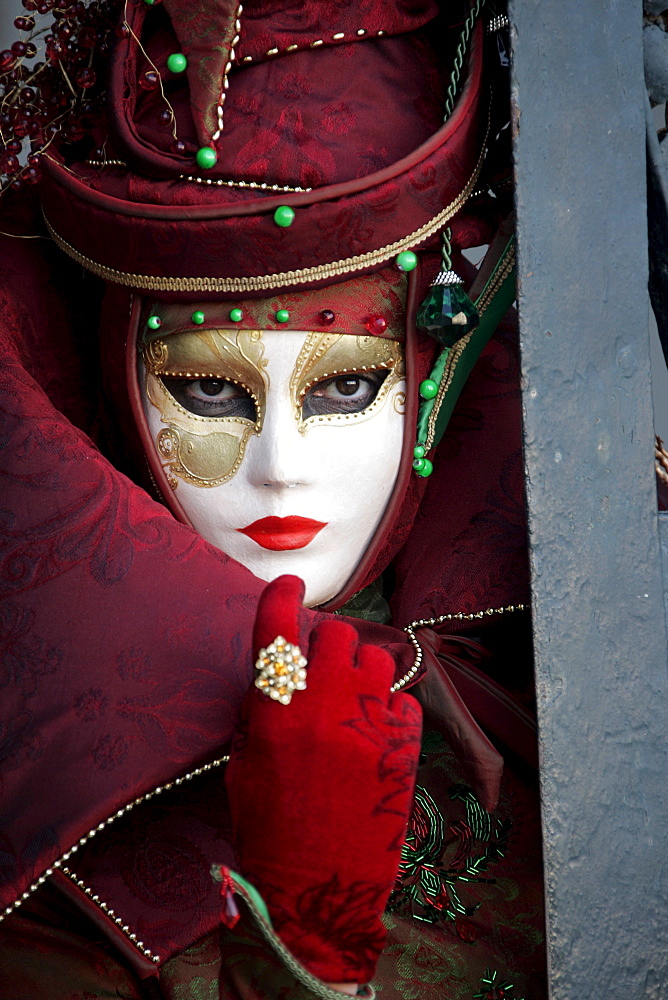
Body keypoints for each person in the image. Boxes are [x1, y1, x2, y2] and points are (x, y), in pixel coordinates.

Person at [0, 0, 546, 996]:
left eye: (343, 386)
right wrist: (293, 962)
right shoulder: (40, 800)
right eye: (208, 390)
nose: (281, 467)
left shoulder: (558, 685)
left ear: (431, 370)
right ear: (115, 380)